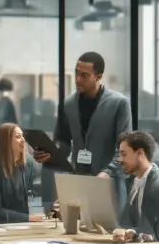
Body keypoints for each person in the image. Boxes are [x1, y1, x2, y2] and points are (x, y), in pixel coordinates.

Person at [32, 52, 132, 201]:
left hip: (110, 184)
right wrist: (49, 154)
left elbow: (125, 149)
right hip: (78, 183)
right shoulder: (67, 104)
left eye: (84, 75)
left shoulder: (119, 104)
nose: (78, 79)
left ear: (98, 77)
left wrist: (108, 173)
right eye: (76, 73)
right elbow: (63, 143)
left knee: (111, 225)